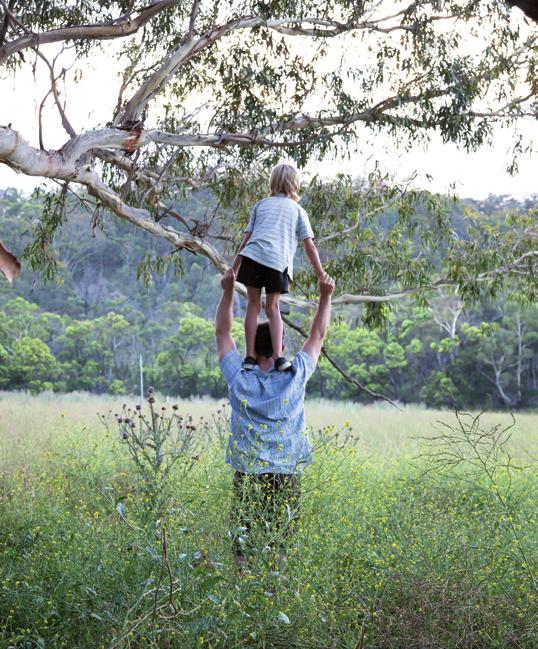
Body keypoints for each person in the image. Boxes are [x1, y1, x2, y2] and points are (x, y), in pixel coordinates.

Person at [215, 267, 335, 570]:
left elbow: (222, 333)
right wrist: (325, 296)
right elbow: (318, 334)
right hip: (287, 472)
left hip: (248, 471)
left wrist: (229, 291)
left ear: (253, 346)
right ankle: (277, 591)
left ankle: (242, 596)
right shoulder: (294, 378)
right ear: (281, 348)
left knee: (241, 548)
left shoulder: (239, 379)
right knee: (282, 545)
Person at [232, 163, 324, 372]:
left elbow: (247, 239)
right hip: (276, 262)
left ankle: (249, 357)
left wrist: (233, 268)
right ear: (295, 184)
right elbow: (309, 245)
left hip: (252, 257)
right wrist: (321, 274)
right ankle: (279, 357)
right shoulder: (298, 210)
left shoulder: (261, 205)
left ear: (272, 182)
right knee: (273, 308)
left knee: (253, 307)